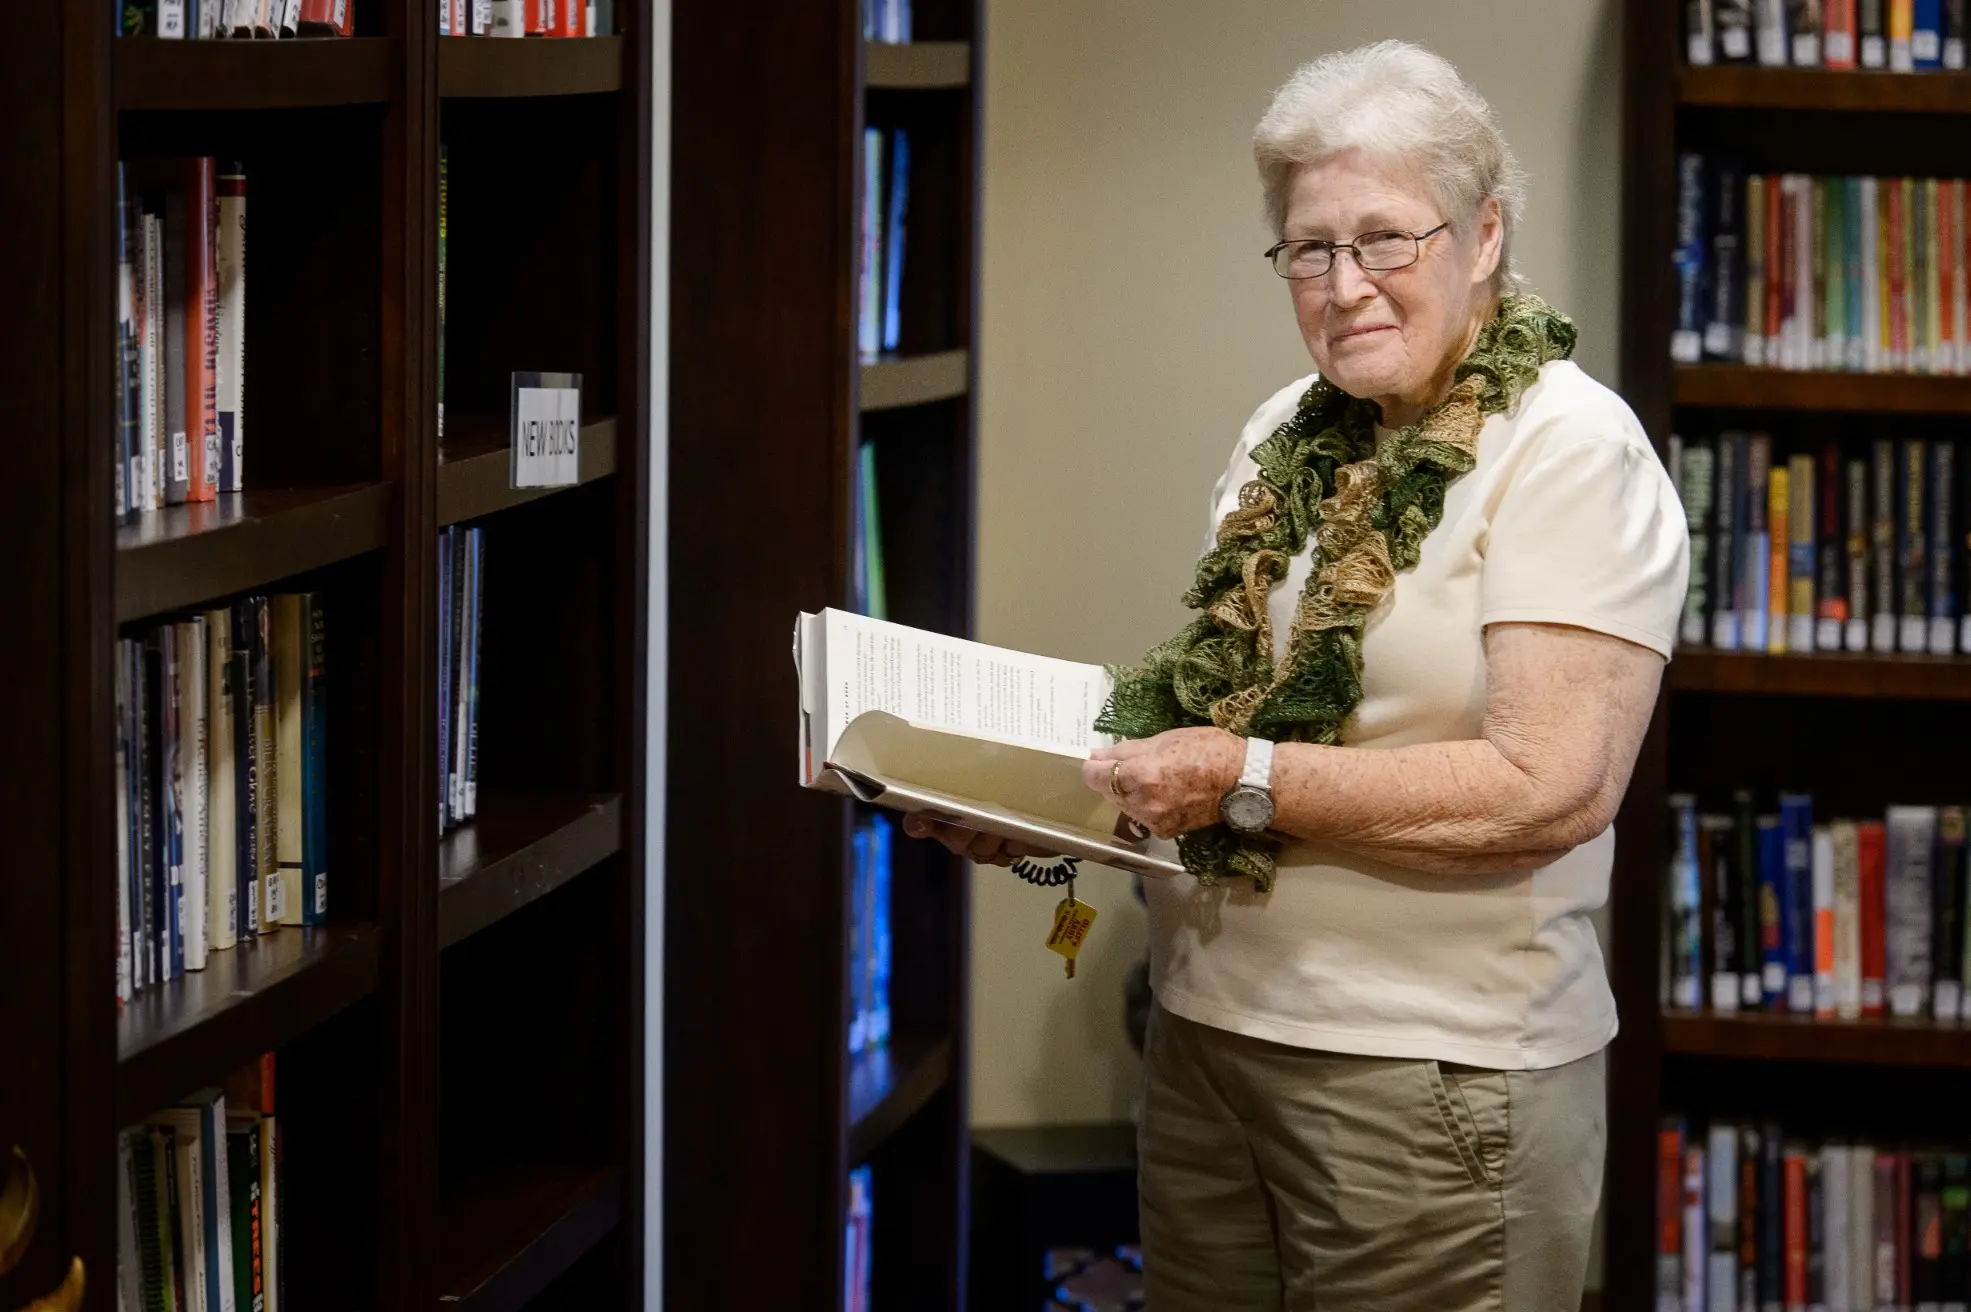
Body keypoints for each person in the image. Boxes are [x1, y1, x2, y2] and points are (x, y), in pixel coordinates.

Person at [907, 38, 1686, 1312]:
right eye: (1310, 250)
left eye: (1388, 239)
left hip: (1427, 1081)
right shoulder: (1286, 430)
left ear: (1484, 236)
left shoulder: (1573, 449)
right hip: (1208, 1039)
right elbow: (1225, 734)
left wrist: (1236, 776)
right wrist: (1043, 808)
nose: (1345, 285)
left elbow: (1549, 788)